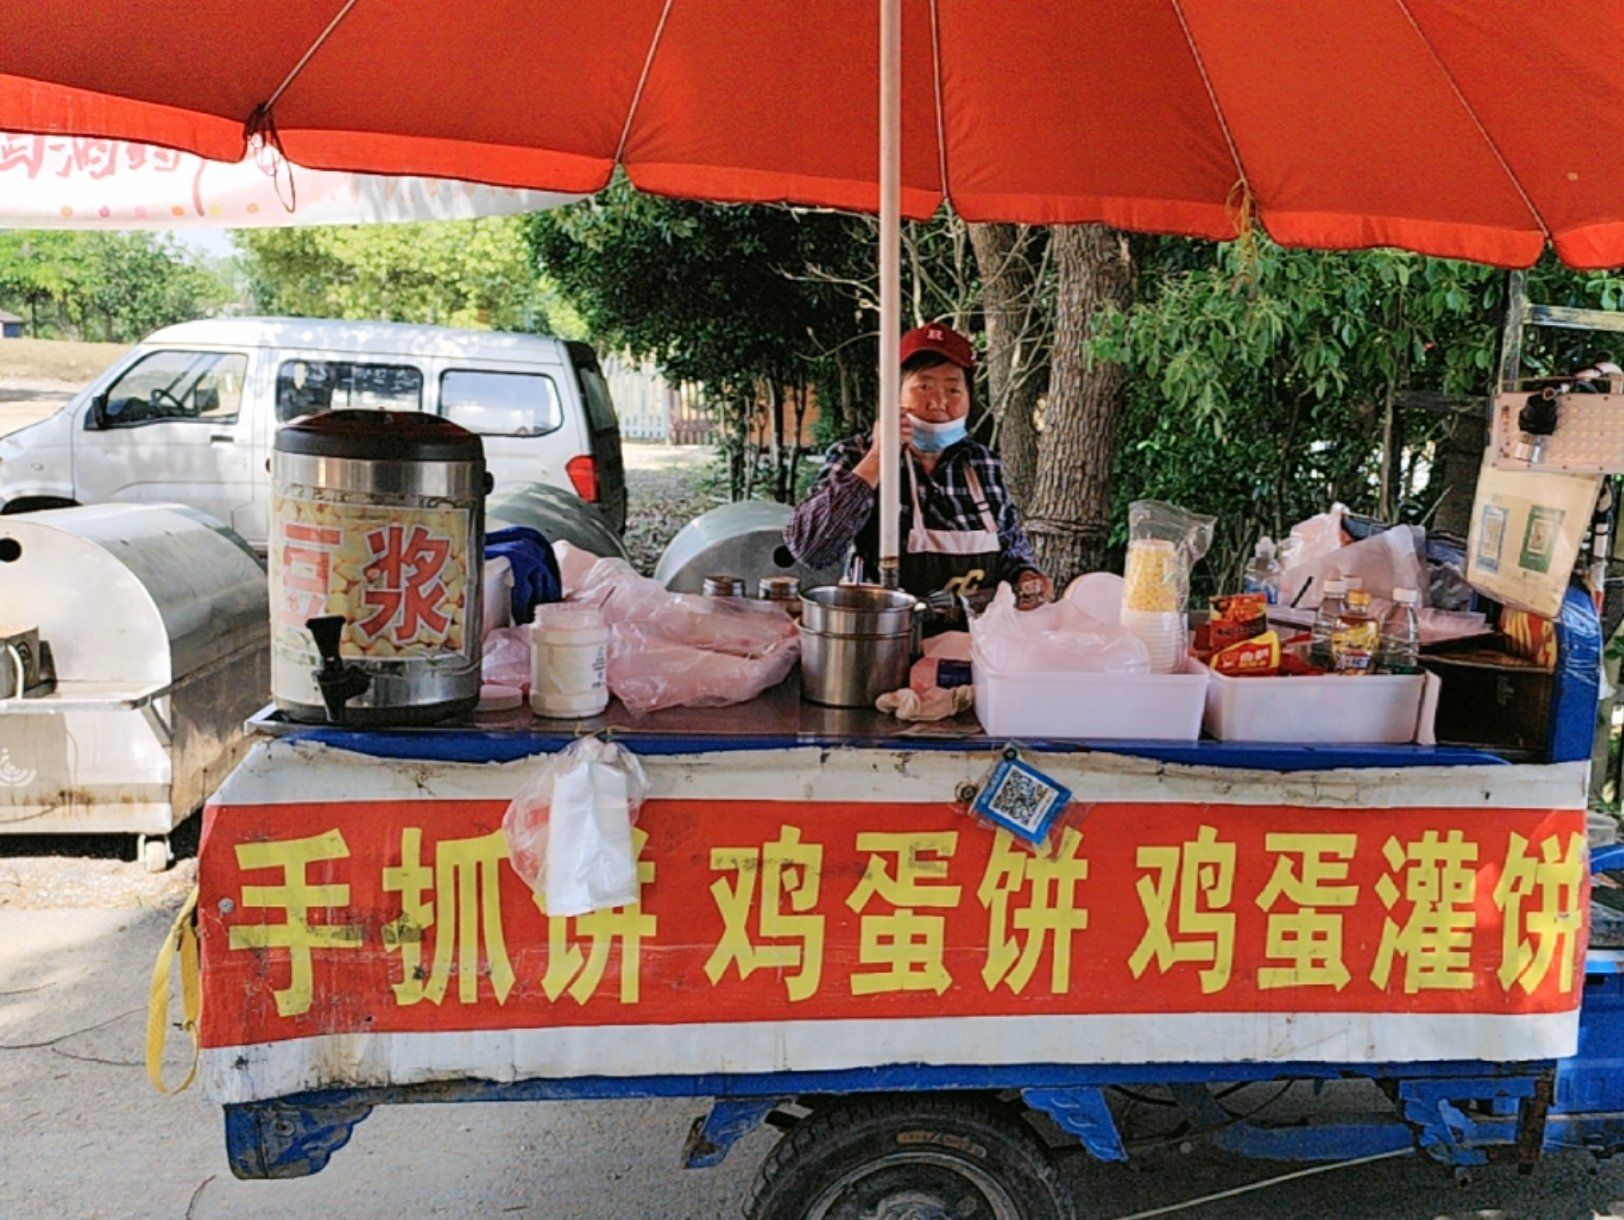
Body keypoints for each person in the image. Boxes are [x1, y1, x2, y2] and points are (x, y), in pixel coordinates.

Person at [785, 322, 1052, 607]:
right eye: (924, 386)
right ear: (893, 394)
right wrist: (878, 457)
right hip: (881, 639)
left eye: (953, 390)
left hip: (974, 641)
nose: (938, 402)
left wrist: (1026, 575)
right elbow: (810, 549)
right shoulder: (855, 454)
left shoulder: (982, 463)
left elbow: (1012, 550)